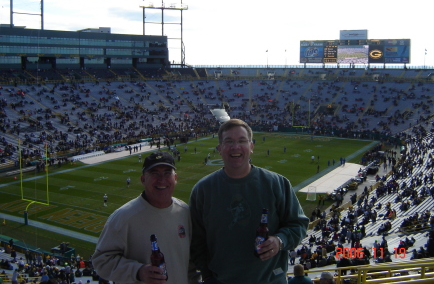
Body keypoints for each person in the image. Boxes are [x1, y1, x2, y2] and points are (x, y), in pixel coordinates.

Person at [190, 119, 309, 284]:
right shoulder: (202, 190)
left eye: (242, 141)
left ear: (251, 146)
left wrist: (279, 241)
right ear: (219, 149)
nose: (235, 146)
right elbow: (196, 240)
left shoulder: (277, 183)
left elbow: (298, 225)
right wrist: (208, 275)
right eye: (228, 141)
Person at [92, 151, 200, 284]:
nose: (161, 179)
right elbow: (101, 261)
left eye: (167, 173)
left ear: (175, 178)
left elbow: (190, 262)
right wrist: (137, 271)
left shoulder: (184, 212)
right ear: (143, 179)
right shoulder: (124, 217)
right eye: (154, 173)